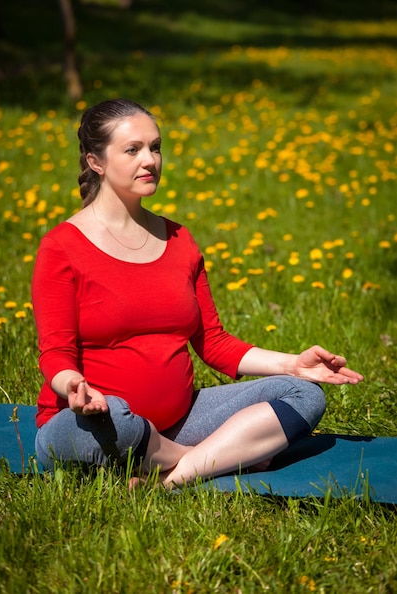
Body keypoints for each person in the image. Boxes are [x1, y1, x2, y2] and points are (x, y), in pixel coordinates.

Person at [32, 98, 364, 487]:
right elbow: (56, 352)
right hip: (96, 422)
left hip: (181, 421)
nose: (150, 160)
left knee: (304, 395)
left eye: (155, 147)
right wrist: (71, 385)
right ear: (95, 161)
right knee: (115, 420)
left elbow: (215, 343)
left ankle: (170, 478)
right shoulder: (61, 247)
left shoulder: (179, 240)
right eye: (133, 150)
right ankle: (218, 456)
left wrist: (294, 363)